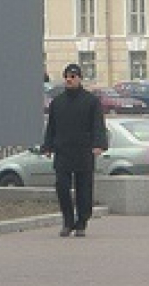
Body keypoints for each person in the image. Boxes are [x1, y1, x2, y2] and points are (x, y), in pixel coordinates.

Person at [42, 63, 108, 237]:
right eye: (67, 77)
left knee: (84, 189)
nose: (69, 80)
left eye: (73, 76)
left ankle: (81, 223)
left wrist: (98, 144)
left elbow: (98, 125)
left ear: (79, 78)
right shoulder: (57, 102)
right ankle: (67, 221)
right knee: (62, 187)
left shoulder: (91, 101)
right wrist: (47, 146)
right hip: (63, 150)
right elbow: (51, 127)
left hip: (84, 151)